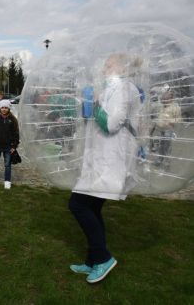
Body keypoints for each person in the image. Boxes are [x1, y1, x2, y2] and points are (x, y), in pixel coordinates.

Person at [68, 53, 143, 284]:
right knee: (91, 206)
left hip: (112, 161)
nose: (103, 68)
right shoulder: (113, 87)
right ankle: (93, 260)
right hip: (100, 160)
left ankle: (103, 258)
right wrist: (90, 104)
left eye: (108, 64)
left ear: (121, 66)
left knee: (78, 204)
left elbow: (110, 124)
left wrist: (97, 102)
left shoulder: (123, 88)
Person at [0, 99, 19, 189]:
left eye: (6, 108)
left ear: (9, 108)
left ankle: (7, 180)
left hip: (8, 147)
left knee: (7, 164)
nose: (4, 109)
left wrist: (14, 146)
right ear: (0, 109)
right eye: (2, 108)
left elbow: (16, 134)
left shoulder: (13, 120)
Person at [154, 85, 181, 169]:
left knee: (167, 147)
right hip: (160, 129)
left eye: (166, 95)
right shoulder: (161, 106)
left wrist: (170, 122)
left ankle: (167, 162)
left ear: (171, 96)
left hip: (168, 130)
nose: (163, 97)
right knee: (160, 145)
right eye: (163, 96)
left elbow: (179, 119)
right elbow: (158, 116)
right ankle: (159, 159)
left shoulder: (175, 107)